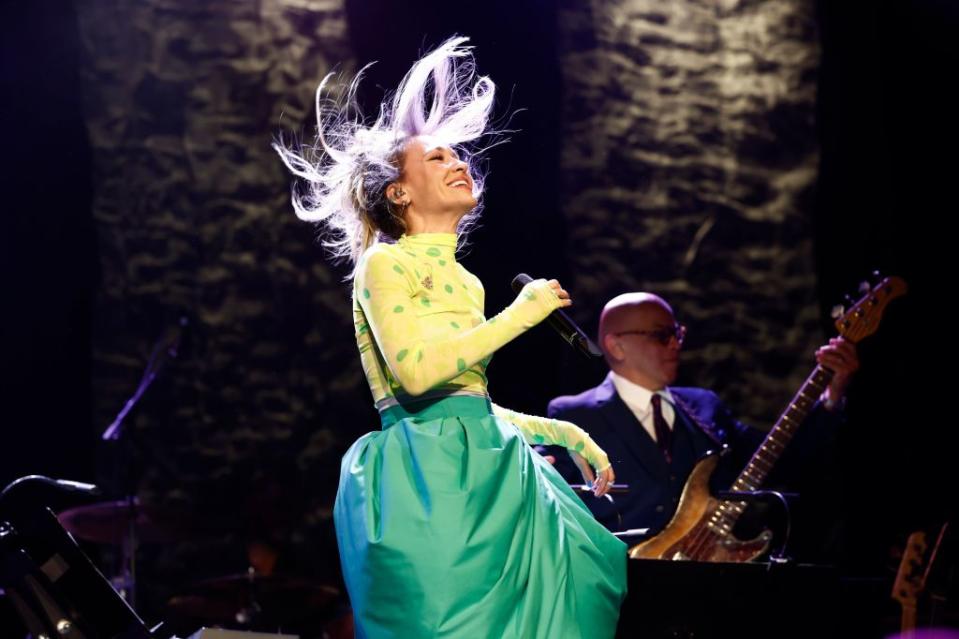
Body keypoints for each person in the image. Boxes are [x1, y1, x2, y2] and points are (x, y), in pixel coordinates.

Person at [274, 37, 626, 638]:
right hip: (425, 484)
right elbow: (416, 376)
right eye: (437, 159)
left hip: (488, 466)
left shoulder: (467, 282)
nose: (460, 164)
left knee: (586, 575)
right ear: (399, 192)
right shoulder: (384, 265)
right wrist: (521, 316)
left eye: (458, 156)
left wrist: (561, 430)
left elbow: (467, 407)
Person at [547, 292, 858, 537]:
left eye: (677, 334)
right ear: (616, 346)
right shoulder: (573, 414)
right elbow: (546, 504)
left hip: (712, 582)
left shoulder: (704, 406)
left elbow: (780, 460)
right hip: (625, 589)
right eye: (661, 335)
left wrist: (831, 396)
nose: (675, 345)